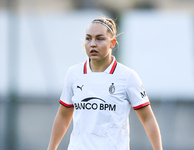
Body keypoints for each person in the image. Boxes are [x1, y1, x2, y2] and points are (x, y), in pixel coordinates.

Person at [47, 16, 163, 150]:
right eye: (88, 38)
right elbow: (63, 115)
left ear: (112, 43)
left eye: (100, 38)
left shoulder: (127, 77)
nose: (93, 44)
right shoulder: (73, 74)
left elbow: (148, 119)